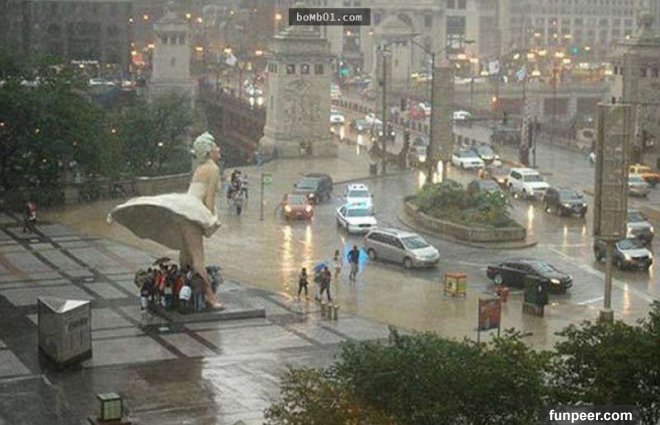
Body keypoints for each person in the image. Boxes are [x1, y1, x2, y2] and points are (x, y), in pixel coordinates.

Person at [108, 132, 224, 309]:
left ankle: (184, 290)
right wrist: (210, 219)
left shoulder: (200, 168)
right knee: (198, 258)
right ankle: (210, 296)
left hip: (184, 209)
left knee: (186, 254)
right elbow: (209, 199)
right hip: (193, 212)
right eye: (215, 146)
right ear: (209, 151)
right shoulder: (213, 168)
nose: (219, 148)